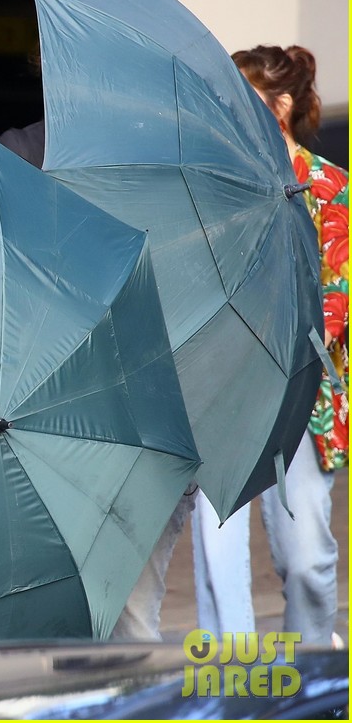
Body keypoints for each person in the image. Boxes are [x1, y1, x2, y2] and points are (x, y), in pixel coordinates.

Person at [190, 45, 348, 645]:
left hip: (302, 393)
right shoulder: (213, 189)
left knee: (306, 559)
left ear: (280, 106)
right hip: (224, 389)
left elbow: (335, 307)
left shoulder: (331, 189)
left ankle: (313, 674)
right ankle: (227, 686)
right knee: (218, 552)